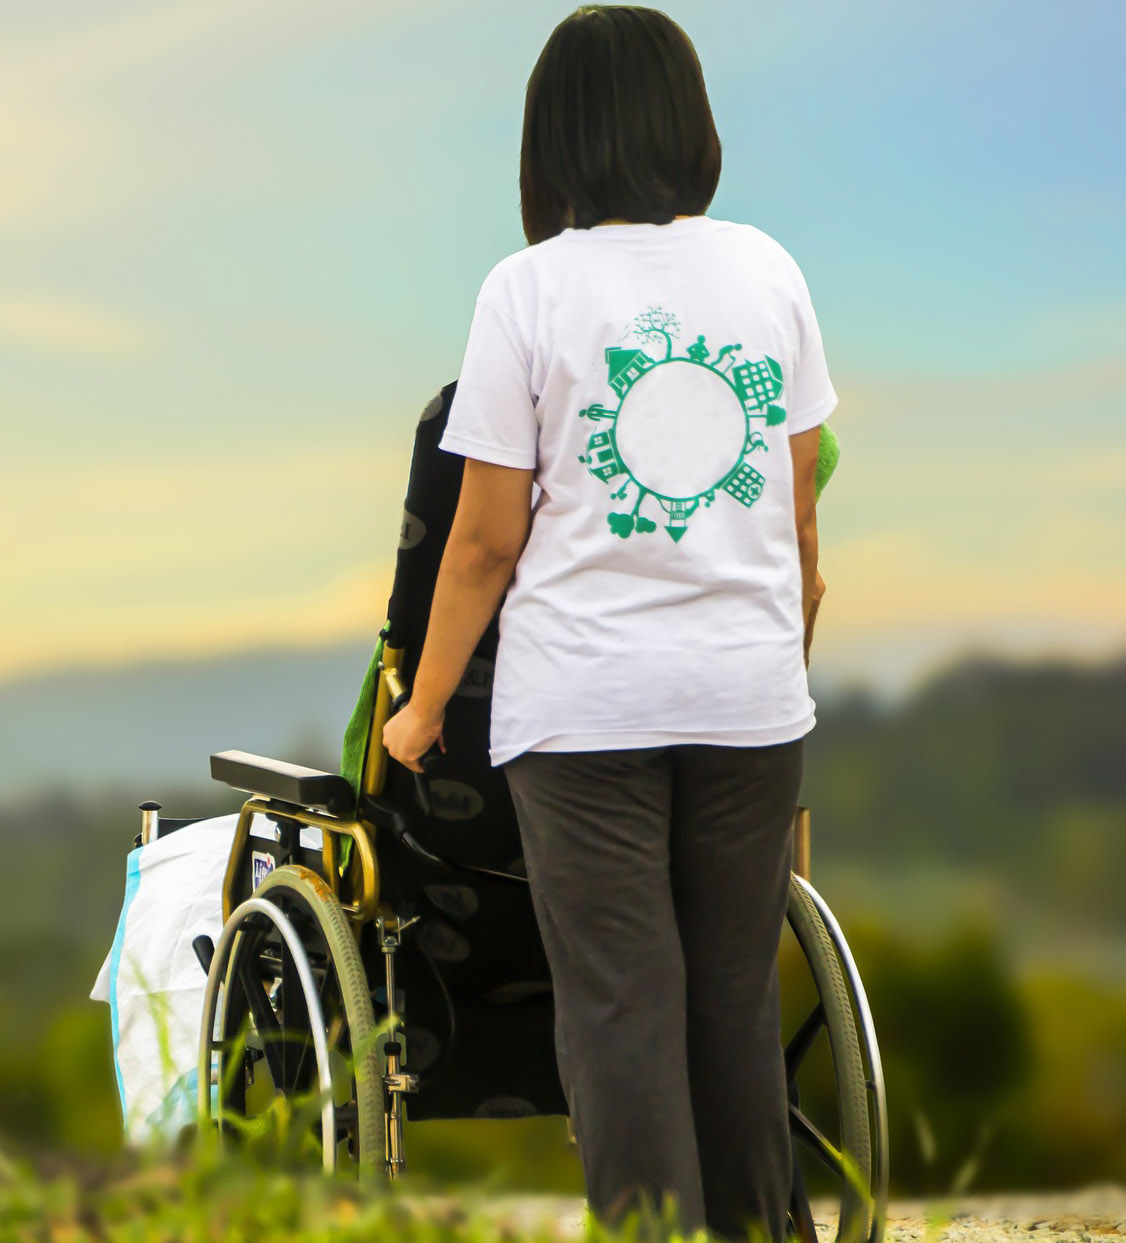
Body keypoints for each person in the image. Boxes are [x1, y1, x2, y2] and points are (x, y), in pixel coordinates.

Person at [381, 7, 834, 1239]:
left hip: (584, 713)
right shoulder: (766, 271)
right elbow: (796, 526)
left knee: (622, 1005)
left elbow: (480, 541)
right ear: (688, 129)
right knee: (732, 997)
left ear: (551, 144)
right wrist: (767, 666)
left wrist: (420, 710)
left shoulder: (525, 291)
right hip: (746, 701)